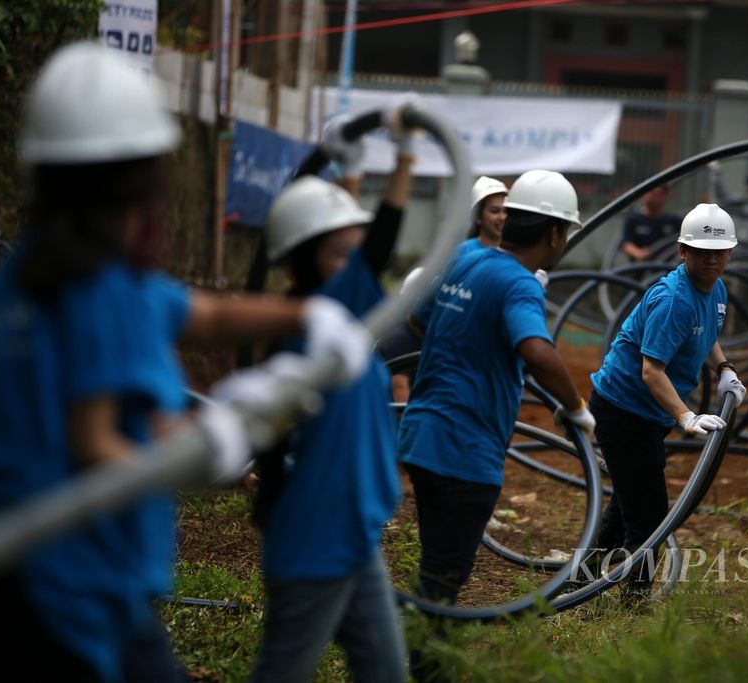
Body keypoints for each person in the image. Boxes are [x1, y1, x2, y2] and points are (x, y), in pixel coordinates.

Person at [0, 43, 370, 683]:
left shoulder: (29, 272)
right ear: (144, 175)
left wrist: (308, 316)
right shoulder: (98, 289)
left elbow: (207, 315)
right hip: (59, 600)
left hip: (13, 584)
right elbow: (93, 446)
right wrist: (204, 451)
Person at [242, 107, 418, 682]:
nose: (353, 265)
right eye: (338, 256)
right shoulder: (310, 333)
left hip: (353, 535)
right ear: (299, 267)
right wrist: (405, 157)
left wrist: (351, 167)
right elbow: (375, 245)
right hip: (317, 543)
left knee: (386, 673)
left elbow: (351, 240)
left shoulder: (336, 316)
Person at [398, 169, 595, 610]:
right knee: (445, 578)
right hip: (465, 451)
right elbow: (537, 351)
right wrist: (576, 407)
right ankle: (419, 660)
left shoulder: (467, 258)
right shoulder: (520, 284)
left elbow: (417, 320)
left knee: (436, 565)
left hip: (421, 435)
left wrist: (472, 346)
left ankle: (417, 652)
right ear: (555, 234)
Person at [589, 203, 746, 592]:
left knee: (627, 501)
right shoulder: (674, 300)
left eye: (720, 251)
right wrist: (686, 416)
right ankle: (635, 597)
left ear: (730, 253)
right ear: (682, 251)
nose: (712, 260)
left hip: (646, 414)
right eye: (703, 252)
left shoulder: (715, 288)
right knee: (650, 513)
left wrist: (724, 368)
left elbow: (706, 333)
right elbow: (651, 371)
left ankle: (582, 579)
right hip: (623, 411)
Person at [381, 176, 510, 403]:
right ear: (478, 217)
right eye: (494, 211)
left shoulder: (510, 259)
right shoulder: (464, 253)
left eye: (506, 211)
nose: (501, 217)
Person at [621, 184, 681, 262]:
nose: (657, 198)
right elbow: (626, 244)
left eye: (661, 194)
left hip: (667, 268)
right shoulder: (633, 220)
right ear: (643, 195)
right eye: (653, 193)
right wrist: (639, 253)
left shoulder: (674, 221)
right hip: (640, 269)